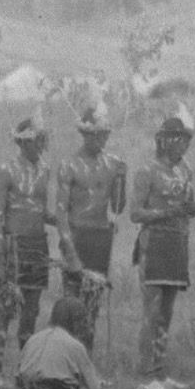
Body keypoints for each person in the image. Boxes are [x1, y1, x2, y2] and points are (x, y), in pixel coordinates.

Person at [129, 109, 195, 382]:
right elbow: (135, 213)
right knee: (151, 311)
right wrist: (165, 213)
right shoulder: (147, 171)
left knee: (167, 312)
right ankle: (145, 372)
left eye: (187, 141)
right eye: (179, 140)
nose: (184, 146)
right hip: (153, 244)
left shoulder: (185, 172)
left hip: (177, 245)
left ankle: (159, 371)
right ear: (166, 141)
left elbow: (189, 210)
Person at [55, 104, 127, 353]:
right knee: (71, 305)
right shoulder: (69, 165)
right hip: (76, 236)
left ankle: (86, 362)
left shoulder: (113, 163)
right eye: (97, 135)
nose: (102, 140)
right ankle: (64, 360)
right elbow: (61, 213)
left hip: (100, 237)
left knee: (92, 307)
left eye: (105, 135)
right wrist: (70, 252)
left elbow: (118, 208)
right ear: (85, 134)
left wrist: (122, 179)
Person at [0, 118, 56, 376]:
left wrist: (63, 221)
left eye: (42, 141)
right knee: (7, 306)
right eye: (35, 141)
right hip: (13, 244)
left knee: (32, 308)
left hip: (38, 245)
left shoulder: (46, 169)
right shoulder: (6, 169)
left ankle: (25, 369)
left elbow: (40, 210)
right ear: (23, 141)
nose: (40, 146)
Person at [15, 296, 106, 389]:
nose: (83, 326)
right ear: (74, 321)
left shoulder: (32, 339)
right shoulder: (75, 346)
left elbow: (17, 377)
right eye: (81, 321)